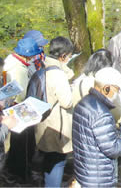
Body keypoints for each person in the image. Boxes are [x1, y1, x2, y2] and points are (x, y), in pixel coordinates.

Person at [72, 67, 121, 187]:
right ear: (106, 88)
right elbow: (112, 149)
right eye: (117, 90)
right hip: (99, 177)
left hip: (84, 170)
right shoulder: (102, 113)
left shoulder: (84, 102)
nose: (118, 94)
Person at [34, 36, 74, 187]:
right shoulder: (57, 74)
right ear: (63, 56)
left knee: (48, 163)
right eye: (69, 56)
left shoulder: (43, 66)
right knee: (57, 163)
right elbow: (67, 101)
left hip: (44, 123)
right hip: (56, 126)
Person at [3, 38, 42, 180]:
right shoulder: (18, 68)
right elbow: (19, 94)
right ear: (28, 54)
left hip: (9, 109)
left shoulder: (10, 61)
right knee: (21, 145)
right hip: (17, 111)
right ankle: (20, 174)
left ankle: (12, 170)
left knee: (15, 144)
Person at [72, 49, 121, 123]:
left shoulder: (79, 81)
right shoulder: (102, 83)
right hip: (99, 125)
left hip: (80, 124)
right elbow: (117, 113)